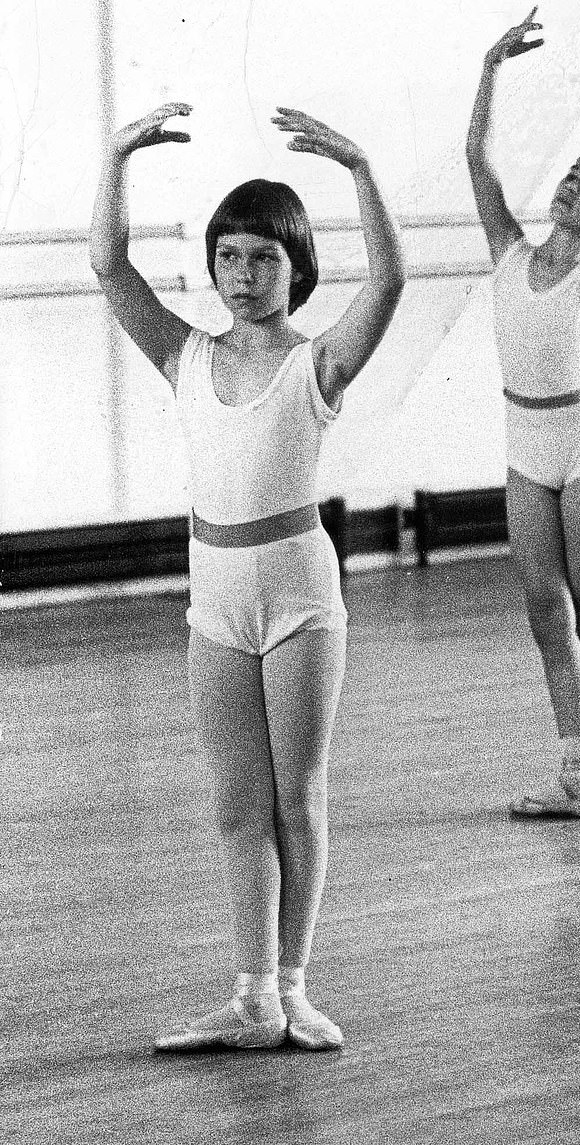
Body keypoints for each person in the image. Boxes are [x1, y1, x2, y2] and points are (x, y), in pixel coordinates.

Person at [89, 103, 405, 1050]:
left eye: (265, 257)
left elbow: (391, 277)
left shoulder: (318, 362)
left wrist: (358, 160)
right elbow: (109, 263)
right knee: (236, 803)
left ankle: (297, 985)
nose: (244, 274)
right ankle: (252, 994)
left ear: (296, 266)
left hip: (300, 595)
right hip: (214, 598)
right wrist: (116, 157)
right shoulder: (184, 353)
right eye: (230, 256)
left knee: (295, 795)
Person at [466, 9, 580, 817]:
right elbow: (478, 158)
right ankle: (576, 766)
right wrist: (492, 67)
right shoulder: (509, 251)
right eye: (573, 175)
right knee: (543, 604)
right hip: (523, 441)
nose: (575, 186)